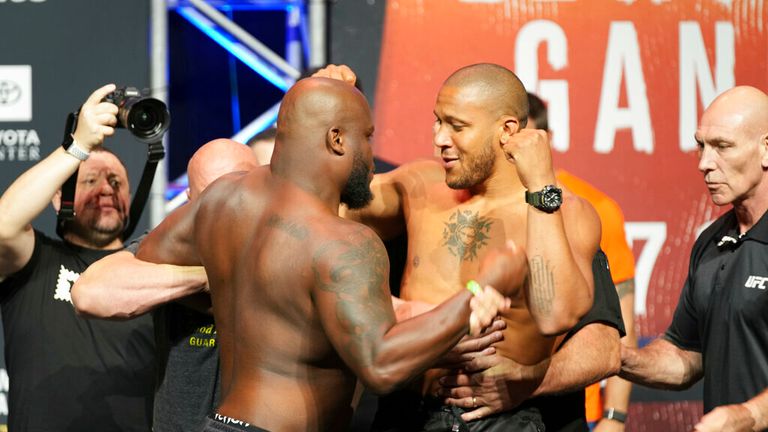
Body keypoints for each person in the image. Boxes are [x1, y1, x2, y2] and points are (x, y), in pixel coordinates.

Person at [134, 76, 526, 431]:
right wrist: (479, 292)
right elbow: (381, 366)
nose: (373, 156)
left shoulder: (222, 199)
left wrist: (238, 277)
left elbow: (149, 254)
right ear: (337, 139)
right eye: (368, 137)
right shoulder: (344, 243)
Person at [319, 63, 601, 430]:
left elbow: (556, 315)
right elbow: (317, 208)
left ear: (507, 130)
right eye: (438, 121)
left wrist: (541, 186)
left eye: (457, 126)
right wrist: (323, 108)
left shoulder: (564, 211)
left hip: (495, 419)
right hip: (404, 410)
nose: (439, 138)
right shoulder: (418, 184)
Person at [72, 138, 258, 432]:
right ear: (190, 200)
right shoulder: (168, 249)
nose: (229, 205)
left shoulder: (288, 248)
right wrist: (207, 280)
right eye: (212, 196)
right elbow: (89, 293)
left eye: (240, 187)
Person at [0, 84, 156, 430]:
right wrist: (78, 147)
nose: (106, 189)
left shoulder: (152, 271)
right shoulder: (35, 261)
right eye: (90, 180)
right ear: (59, 199)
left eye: (116, 181)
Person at [619, 86, 768, 432]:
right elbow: (686, 355)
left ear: (766, 149)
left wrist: (750, 415)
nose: (704, 163)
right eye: (701, 145)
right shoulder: (711, 242)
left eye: (722, 146)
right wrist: (616, 358)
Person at [528, 92, 638, 431]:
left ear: (545, 141)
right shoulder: (487, 209)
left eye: (526, 142)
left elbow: (623, 324)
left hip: (579, 413)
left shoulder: (594, 208)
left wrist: (615, 416)